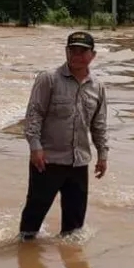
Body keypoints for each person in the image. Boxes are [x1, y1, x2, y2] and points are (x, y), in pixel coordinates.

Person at [19, 31, 109, 241]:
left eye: (82, 51)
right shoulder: (49, 79)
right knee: (33, 218)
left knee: (74, 231)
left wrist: (103, 155)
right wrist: (35, 147)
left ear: (92, 55)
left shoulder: (98, 86)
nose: (76, 55)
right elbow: (34, 114)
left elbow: (99, 124)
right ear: (66, 52)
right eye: (72, 50)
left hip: (79, 164)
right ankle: (25, 256)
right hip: (47, 161)